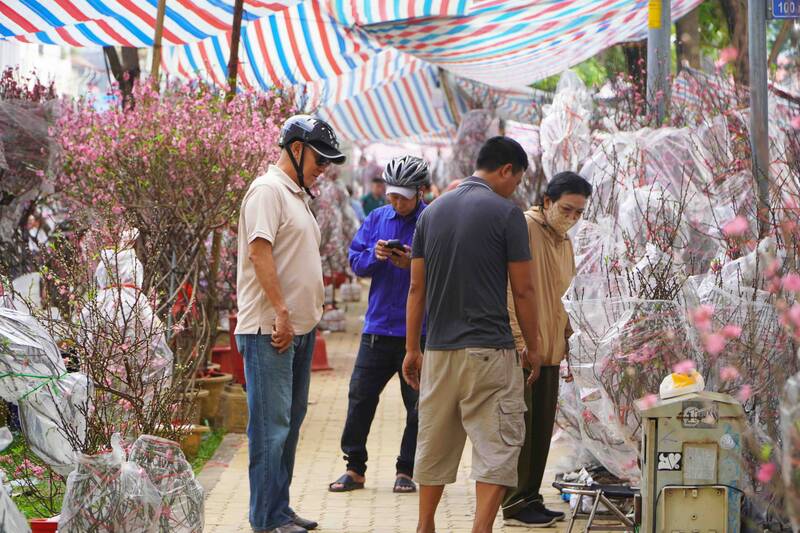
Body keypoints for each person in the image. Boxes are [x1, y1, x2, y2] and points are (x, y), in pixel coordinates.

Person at [403, 137, 543, 533]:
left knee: (434, 442)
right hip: (490, 353)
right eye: (517, 180)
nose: (515, 188)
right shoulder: (507, 214)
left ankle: (425, 525)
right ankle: (480, 529)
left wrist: (412, 349)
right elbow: (524, 290)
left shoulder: (430, 213)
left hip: (438, 352)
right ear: (506, 170)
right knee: (497, 446)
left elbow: (416, 289)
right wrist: (533, 347)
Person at [235, 115, 346, 533]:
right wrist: (281, 310)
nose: (324, 168)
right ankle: (266, 519)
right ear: (296, 150)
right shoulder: (267, 191)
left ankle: (279, 509)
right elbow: (259, 252)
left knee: (289, 424)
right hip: (270, 330)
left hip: (297, 329)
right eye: (320, 159)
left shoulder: (295, 194)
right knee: (271, 428)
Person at [329, 156, 430, 495]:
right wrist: (375, 255)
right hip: (376, 330)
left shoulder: (432, 221)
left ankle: (406, 470)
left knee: (418, 406)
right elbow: (355, 261)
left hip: (418, 334)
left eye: (403, 197)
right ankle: (354, 467)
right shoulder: (376, 218)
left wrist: (412, 263)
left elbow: (446, 270)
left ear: (420, 191)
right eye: (392, 195)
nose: (397, 203)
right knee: (359, 399)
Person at [502, 171, 593, 527]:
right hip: (527, 347)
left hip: (551, 347)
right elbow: (511, 291)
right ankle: (513, 502)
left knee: (540, 430)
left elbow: (561, 296)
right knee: (522, 429)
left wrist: (569, 337)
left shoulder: (563, 240)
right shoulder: (525, 228)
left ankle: (530, 496)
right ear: (547, 202)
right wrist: (522, 343)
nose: (571, 218)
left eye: (579, 213)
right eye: (566, 209)